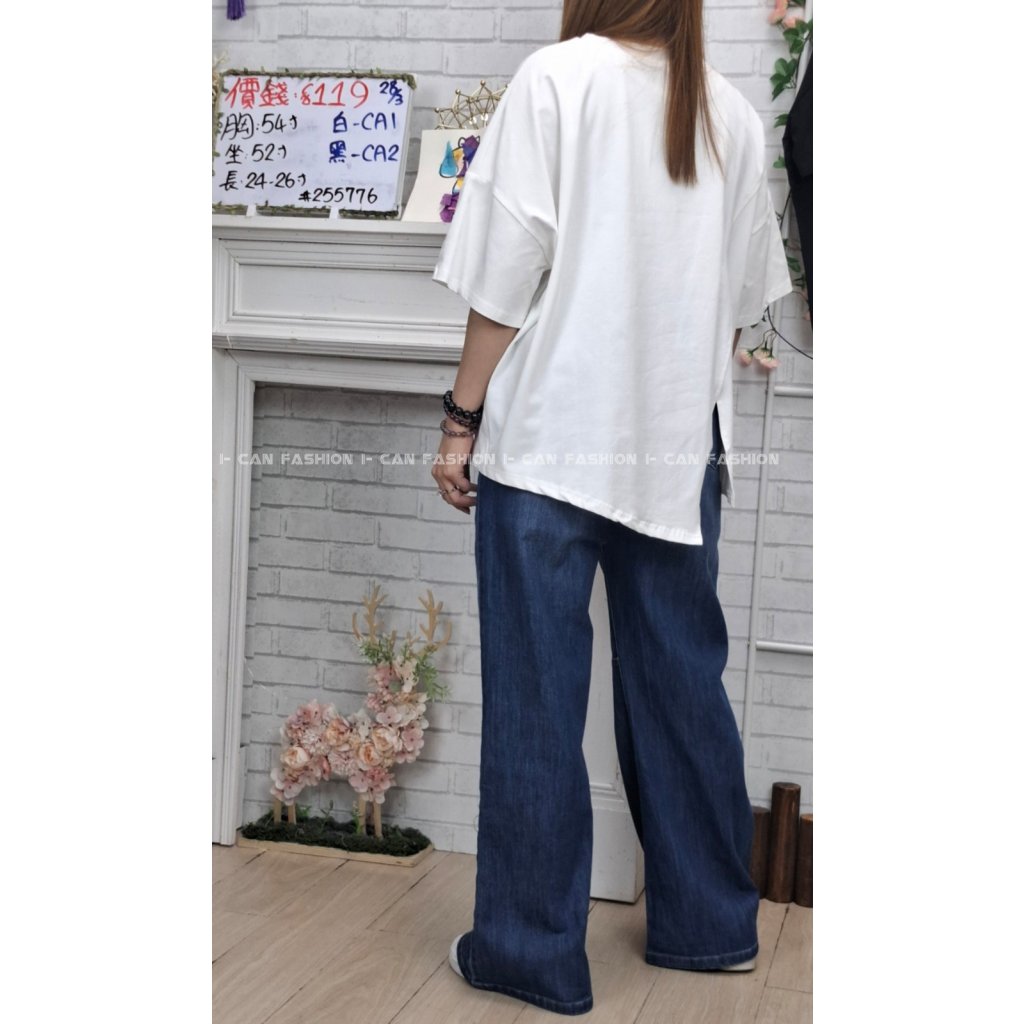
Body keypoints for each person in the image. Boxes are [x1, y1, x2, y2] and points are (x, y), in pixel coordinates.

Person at [430, 0, 792, 1015]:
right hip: (676, 445)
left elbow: (504, 276)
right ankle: (710, 924)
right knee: (681, 685)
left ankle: (529, 952)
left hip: (553, 438)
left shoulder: (557, 80)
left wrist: (460, 417)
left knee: (536, 697)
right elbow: (739, 303)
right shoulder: (727, 112)